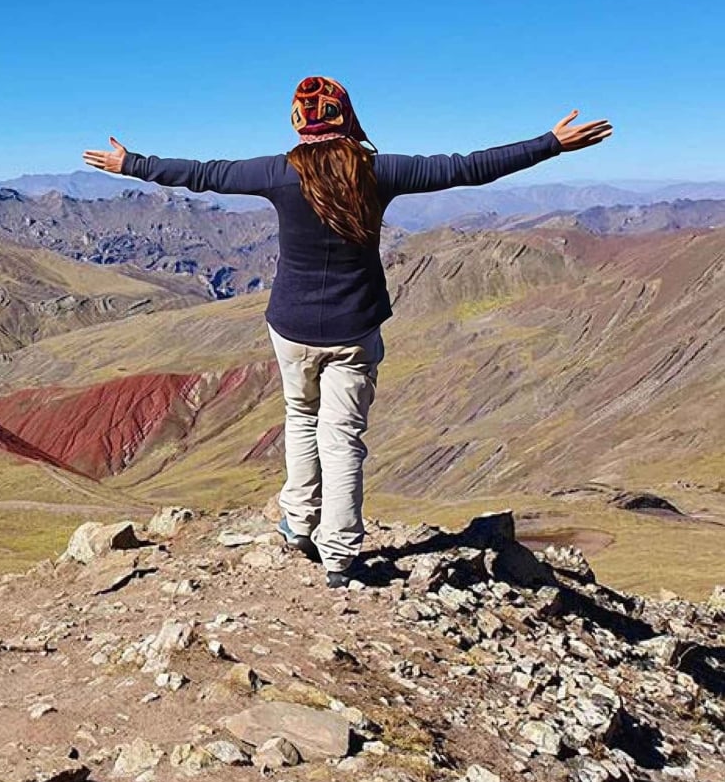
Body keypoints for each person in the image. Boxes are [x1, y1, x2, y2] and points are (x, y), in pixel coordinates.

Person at [83, 77, 611, 587]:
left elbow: (203, 173)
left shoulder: (276, 172)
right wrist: (550, 145)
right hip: (354, 328)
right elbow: (467, 169)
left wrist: (131, 164)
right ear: (347, 115)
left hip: (290, 327)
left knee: (300, 417)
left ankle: (297, 522)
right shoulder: (378, 171)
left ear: (298, 122)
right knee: (342, 437)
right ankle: (339, 555)